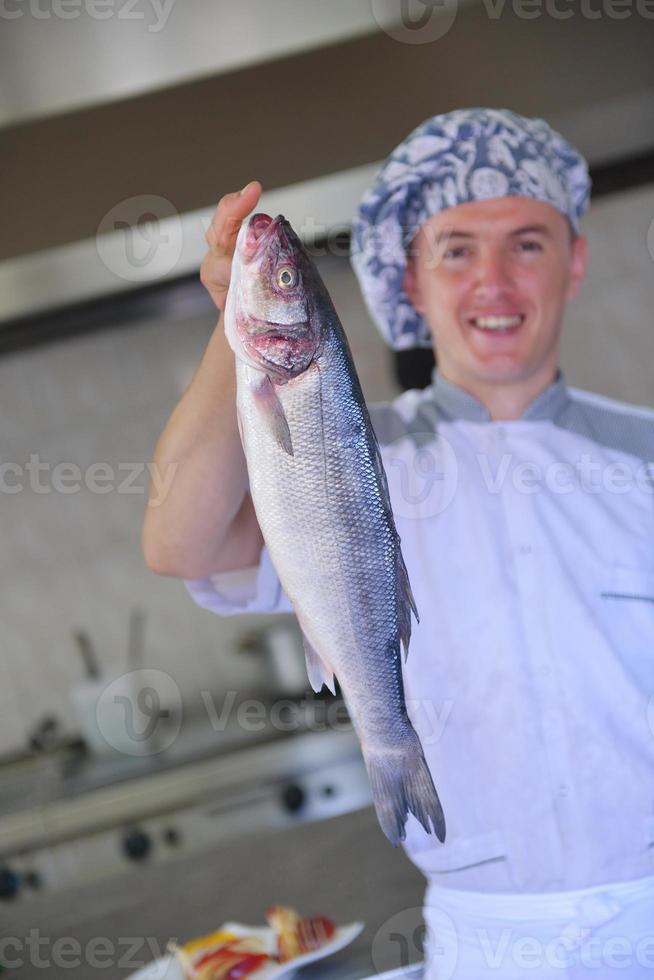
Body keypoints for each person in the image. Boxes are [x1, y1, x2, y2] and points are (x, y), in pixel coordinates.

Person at [143, 109, 654, 978]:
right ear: (408, 277)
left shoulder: (642, 455)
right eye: (455, 248)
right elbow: (179, 543)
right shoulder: (344, 452)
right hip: (487, 943)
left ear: (575, 262)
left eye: (527, 244)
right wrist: (240, 312)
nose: (492, 280)